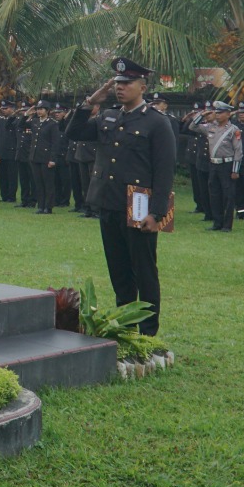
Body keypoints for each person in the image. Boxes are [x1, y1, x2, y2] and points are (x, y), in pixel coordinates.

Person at [67, 58, 176, 336]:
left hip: (139, 207)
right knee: (119, 272)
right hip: (109, 202)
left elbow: (164, 171)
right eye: (117, 83)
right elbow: (73, 132)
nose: (120, 88)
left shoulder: (156, 122)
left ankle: (148, 334)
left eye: (127, 83)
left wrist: (158, 213)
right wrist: (90, 102)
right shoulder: (108, 116)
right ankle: (126, 329)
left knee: (144, 272)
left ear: (142, 87)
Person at [197, 102, 243, 231]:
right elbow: (192, 126)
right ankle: (217, 222)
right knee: (214, 194)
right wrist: (202, 115)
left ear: (228, 114)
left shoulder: (233, 129)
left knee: (228, 196)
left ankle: (227, 225)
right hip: (213, 164)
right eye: (216, 113)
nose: (217, 115)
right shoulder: (211, 127)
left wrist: (235, 170)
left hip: (227, 164)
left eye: (220, 113)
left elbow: (238, 150)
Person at [32, 101, 59, 214]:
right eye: (37, 109)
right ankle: (41, 205)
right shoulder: (35, 121)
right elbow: (20, 125)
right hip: (35, 156)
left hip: (46, 157)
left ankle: (48, 206)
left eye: (41, 109)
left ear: (47, 111)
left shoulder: (52, 124)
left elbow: (55, 143)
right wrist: (26, 114)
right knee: (38, 183)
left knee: (48, 183)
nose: (39, 111)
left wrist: (52, 159)